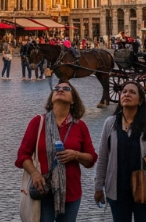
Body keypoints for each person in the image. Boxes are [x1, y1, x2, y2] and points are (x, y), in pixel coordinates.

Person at [16, 81, 97, 222]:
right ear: (51, 97)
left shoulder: (80, 126)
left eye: (66, 88)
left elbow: (91, 158)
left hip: (71, 192)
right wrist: (34, 174)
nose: (60, 89)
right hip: (43, 190)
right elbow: (23, 154)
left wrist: (76, 155)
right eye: (56, 88)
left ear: (73, 100)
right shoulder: (38, 122)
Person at [94, 82, 146, 222]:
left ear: (140, 101)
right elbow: (103, 158)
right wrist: (98, 187)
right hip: (117, 189)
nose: (127, 94)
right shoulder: (110, 123)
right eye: (124, 92)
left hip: (145, 187)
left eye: (132, 92)